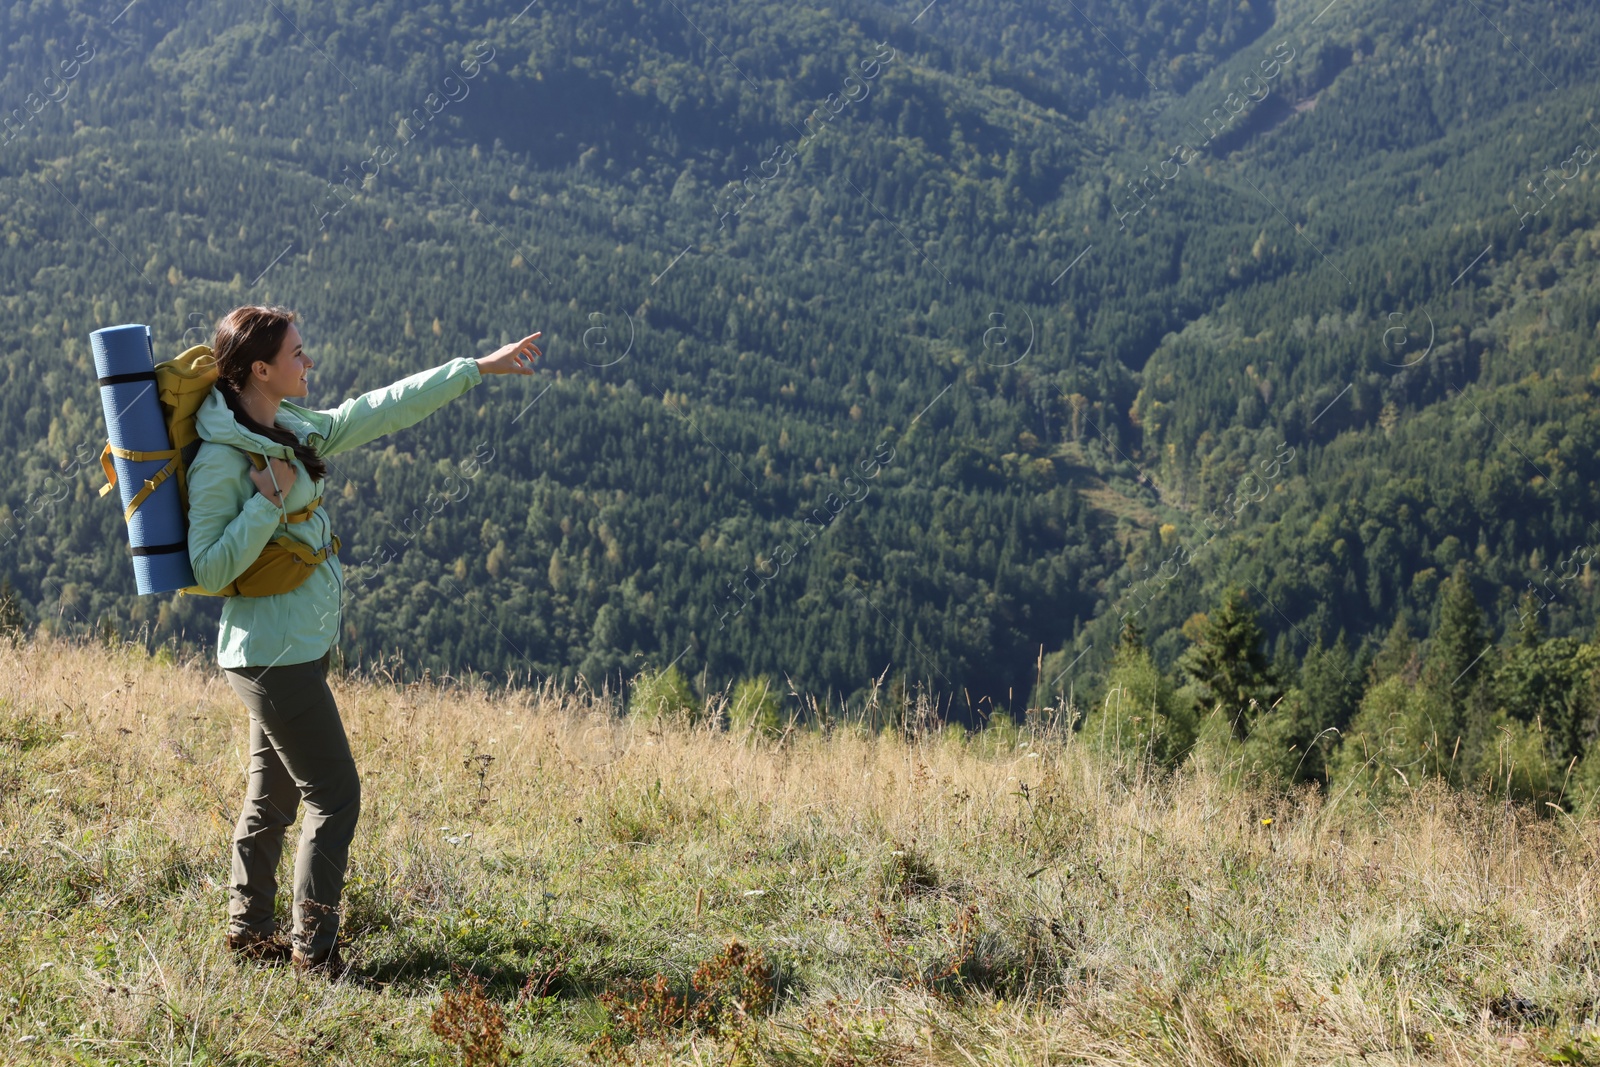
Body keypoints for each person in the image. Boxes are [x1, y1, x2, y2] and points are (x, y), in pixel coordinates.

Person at [185, 304, 541, 972]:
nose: (307, 361)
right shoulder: (219, 459)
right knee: (335, 796)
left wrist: (475, 369)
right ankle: (314, 956)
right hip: (272, 657)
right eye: (296, 353)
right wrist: (266, 501)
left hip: (290, 650)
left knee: (276, 794)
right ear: (260, 369)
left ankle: (249, 932)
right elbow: (208, 566)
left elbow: (374, 410)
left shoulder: (285, 424)